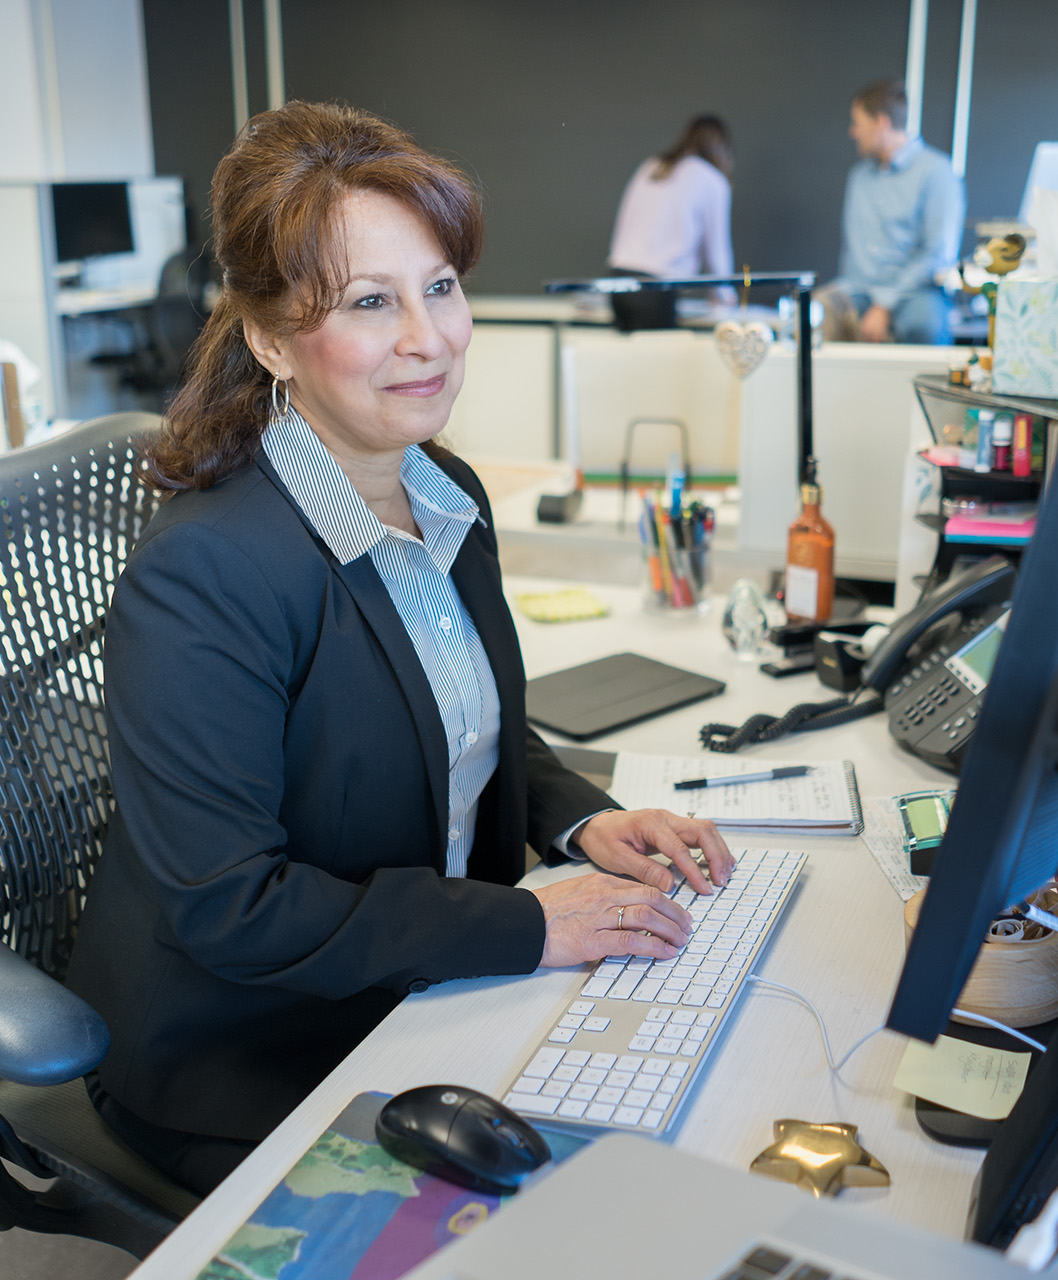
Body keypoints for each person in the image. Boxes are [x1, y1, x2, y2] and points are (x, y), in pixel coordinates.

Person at [65, 101, 734, 1197]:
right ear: (271, 337)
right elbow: (230, 905)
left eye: (441, 287)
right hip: (253, 1043)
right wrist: (522, 920)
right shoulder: (211, 573)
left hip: (418, 981)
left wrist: (578, 815)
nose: (428, 337)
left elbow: (470, 736)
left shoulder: (444, 490)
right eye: (371, 303)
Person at [833, 79, 964, 345]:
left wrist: (884, 305)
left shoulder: (937, 172)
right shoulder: (859, 177)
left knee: (923, 327)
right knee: (810, 318)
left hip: (915, 292)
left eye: (857, 123)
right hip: (859, 290)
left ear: (881, 122)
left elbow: (938, 253)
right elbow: (851, 252)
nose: (853, 132)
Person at [606, 116, 735, 329]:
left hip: (618, 280)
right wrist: (724, 295)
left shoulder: (652, 166)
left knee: (628, 360)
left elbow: (624, 223)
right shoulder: (713, 179)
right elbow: (717, 250)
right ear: (722, 148)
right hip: (655, 287)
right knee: (656, 360)